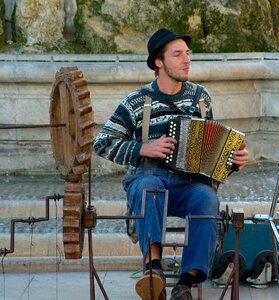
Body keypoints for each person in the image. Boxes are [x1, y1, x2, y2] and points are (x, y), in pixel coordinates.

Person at [93, 28, 249, 300]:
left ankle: (185, 283)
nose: (186, 59)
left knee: (207, 199)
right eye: (177, 55)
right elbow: (102, 142)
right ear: (158, 62)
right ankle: (153, 271)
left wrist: (233, 161)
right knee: (149, 187)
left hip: (190, 184)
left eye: (187, 54)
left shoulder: (201, 98)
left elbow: (210, 154)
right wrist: (144, 147)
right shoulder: (136, 101)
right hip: (150, 177)